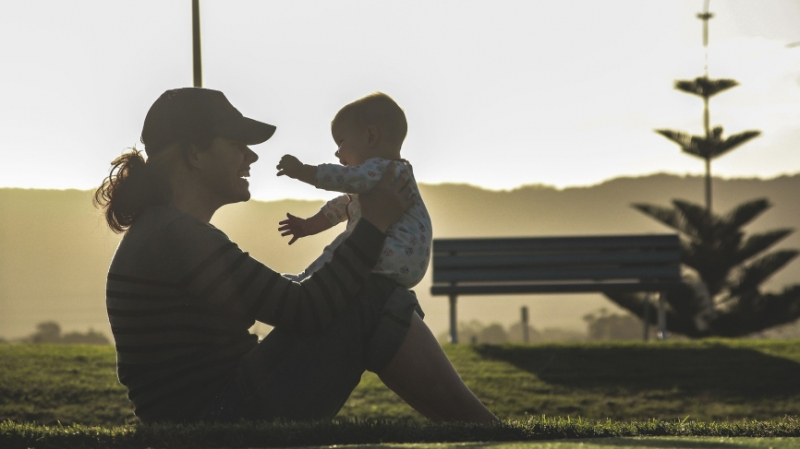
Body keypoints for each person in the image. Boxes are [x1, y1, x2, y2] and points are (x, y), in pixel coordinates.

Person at [94, 87, 498, 424]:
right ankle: (489, 432)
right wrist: (373, 224)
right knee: (372, 295)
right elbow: (305, 309)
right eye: (238, 145)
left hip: (210, 413)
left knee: (370, 293)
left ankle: (481, 430)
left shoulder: (165, 232)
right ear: (194, 154)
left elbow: (281, 297)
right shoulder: (174, 236)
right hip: (217, 420)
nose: (251, 158)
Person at [275, 92, 431, 290]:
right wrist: (308, 226)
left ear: (370, 137)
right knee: (349, 245)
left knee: (345, 247)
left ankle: (307, 282)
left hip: (394, 252)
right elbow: (343, 207)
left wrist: (302, 171)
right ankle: (306, 280)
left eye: (340, 142)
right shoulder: (390, 176)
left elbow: (342, 178)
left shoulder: (382, 169)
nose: (337, 152)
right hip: (407, 262)